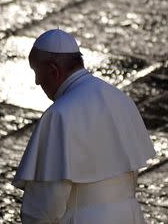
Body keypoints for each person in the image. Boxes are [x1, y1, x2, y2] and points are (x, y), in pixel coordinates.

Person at [13, 29, 155, 223]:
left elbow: (47, 202)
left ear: (54, 71)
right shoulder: (120, 99)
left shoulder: (59, 114)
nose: (37, 82)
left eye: (37, 72)